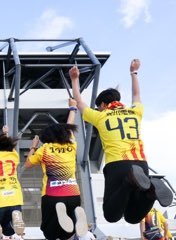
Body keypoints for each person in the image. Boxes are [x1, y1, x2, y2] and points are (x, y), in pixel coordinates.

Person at [70, 59, 173, 225]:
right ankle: (151, 192)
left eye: (99, 106)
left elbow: (79, 102)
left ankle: (129, 182)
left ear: (103, 104)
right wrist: (134, 73)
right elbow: (137, 95)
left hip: (117, 164)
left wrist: (74, 79)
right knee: (133, 218)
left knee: (111, 215)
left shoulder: (101, 116)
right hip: (141, 163)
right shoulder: (134, 112)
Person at [25, 98, 88, 240]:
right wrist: (73, 108)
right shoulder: (71, 144)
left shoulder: (44, 149)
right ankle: (76, 216)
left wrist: (33, 146)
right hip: (73, 193)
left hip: (52, 195)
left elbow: (28, 164)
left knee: (49, 233)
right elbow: (69, 126)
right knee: (69, 233)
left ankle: (67, 216)